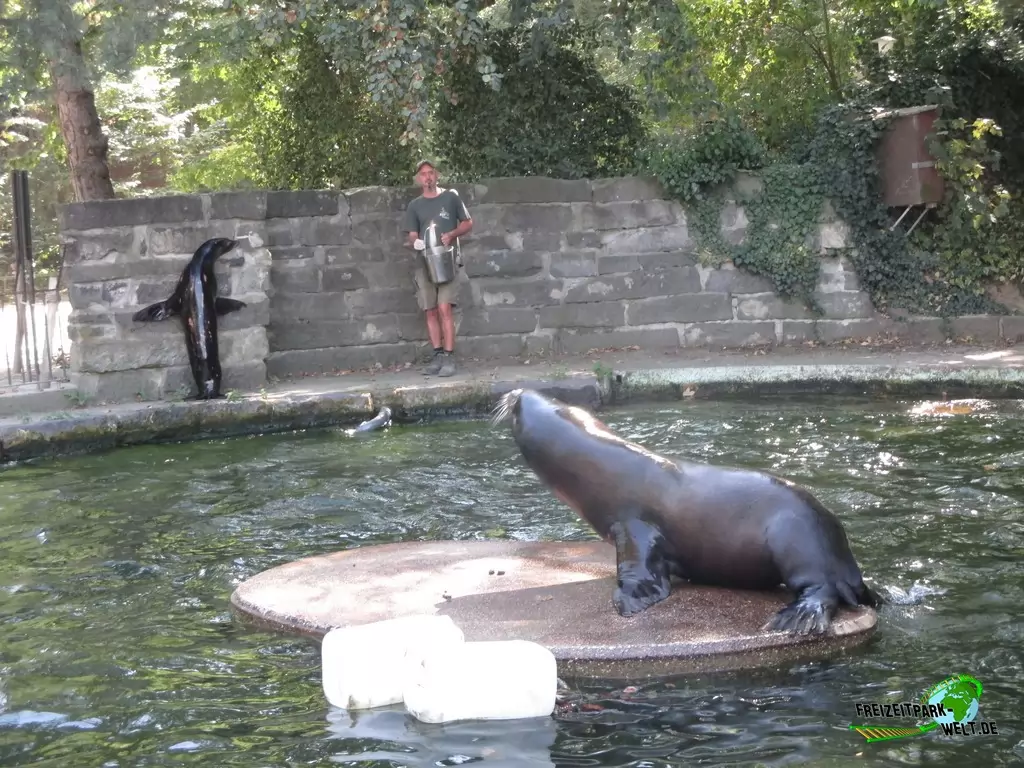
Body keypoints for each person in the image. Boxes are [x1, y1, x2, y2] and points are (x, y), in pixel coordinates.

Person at [403, 159, 474, 377]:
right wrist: (415, 242)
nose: (428, 177)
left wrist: (452, 234)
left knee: (445, 308)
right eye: (423, 174)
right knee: (431, 310)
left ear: (437, 175)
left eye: (431, 173)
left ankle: (449, 358)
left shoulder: (450, 197)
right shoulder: (414, 206)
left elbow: (468, 223)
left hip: (447, 261)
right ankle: (437, 356)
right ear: (419, 179)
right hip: (424, 263)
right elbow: (412, 234)